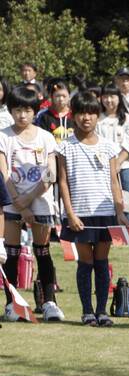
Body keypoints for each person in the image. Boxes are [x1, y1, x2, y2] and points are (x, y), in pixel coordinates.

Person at [55, 91, 129, 326]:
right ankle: (87, 311)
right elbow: (63, 182)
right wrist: (70, 213)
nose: (86, 118)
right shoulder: (64, 147)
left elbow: (113, 180)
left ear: (97, 116)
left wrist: (120, 211)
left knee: (101, 262)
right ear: (73, 115)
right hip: (80, 213)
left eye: (91, 113)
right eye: (81, 113)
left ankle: (102, 311)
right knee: (84, 262)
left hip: (105, 213)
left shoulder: (109, 147)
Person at [0, 85, 64, 322]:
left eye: (27, 110)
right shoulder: (3, 136)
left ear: (34, 111)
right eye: (17, 110)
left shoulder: (46, 137)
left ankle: (49, 303)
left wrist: (29, 200)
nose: (22, 115)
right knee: (12, 254)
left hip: (40, 202)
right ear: (11, 110)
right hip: (11, 203)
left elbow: (51, 174)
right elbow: (3, 172)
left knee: (43, 252)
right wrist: (18, 201)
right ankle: (12, 304)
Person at [97, 86, 129, 225]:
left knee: (128, 200)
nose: (109, 100)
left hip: (126, 165)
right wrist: (109, 163)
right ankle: (110, 230)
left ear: (119, 98)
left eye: (113, 96)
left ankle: (127, 231)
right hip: (103, 166)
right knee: (108, 200)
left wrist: (118, 162)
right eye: (106, 96)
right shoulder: (98, 119)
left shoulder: (128, 119)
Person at [35, 80, 73, 146]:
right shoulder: (43, 115)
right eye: (57, 96)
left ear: (69, 96)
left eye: (64, 96)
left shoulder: (75, 114)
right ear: (51, 97)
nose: (61, 99)